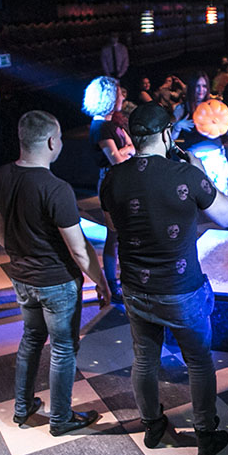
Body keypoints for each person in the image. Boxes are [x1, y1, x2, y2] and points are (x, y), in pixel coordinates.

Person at [99, 103, 228, 455]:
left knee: (145, 359)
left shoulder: (112, 178)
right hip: (181, 290)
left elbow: (114, 228)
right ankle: (206, 434)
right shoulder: (186, 174)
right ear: (166, 135)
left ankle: (153, 426)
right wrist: (201, 174)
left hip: (135, 288)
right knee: (198, 361)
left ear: (132, 136)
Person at [0, 110, 110, 436]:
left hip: (22, 277)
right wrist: (101, 281)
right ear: (53, 142)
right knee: (63, 348)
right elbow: (78, 249)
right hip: (57, 282)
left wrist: (20, 252)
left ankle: (23, 408)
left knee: (31, 339)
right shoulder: (56, 188)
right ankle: (61, 418)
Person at [83, 76, 135, 304]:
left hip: (120, 181)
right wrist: (128, 150)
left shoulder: (111, 124)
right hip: (111, 183)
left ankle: (121, 281)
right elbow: (117, 160)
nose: (122, 96)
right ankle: (113, 285)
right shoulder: (101, 127)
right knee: (114, 236)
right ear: (108, 97)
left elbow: (131, 148)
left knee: (121, 235)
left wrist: (127, 150)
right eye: (118, 93)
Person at [174, 72, 228, 194]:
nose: (201, 90)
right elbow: (171, 137)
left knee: (219, 194)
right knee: (197, 194)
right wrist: (178, 126)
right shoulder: (182, 108)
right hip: (194, 159)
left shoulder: (215, 105)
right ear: (191, 87)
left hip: (216, 157)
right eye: (197, 86)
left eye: (204, 86)